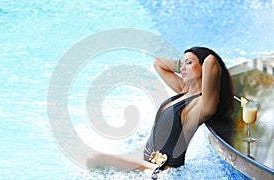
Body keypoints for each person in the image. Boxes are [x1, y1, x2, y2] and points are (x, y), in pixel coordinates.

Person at [86, 47, 234, 171]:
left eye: (189, 63)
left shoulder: (200, 106)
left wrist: (202, 61)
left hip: (159, 170)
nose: (182, 68)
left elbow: (211, 61)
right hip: (146, 161)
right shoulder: (184, 91)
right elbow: (158, 63)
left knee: (94, 159)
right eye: (181, 64)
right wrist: (184, 65)